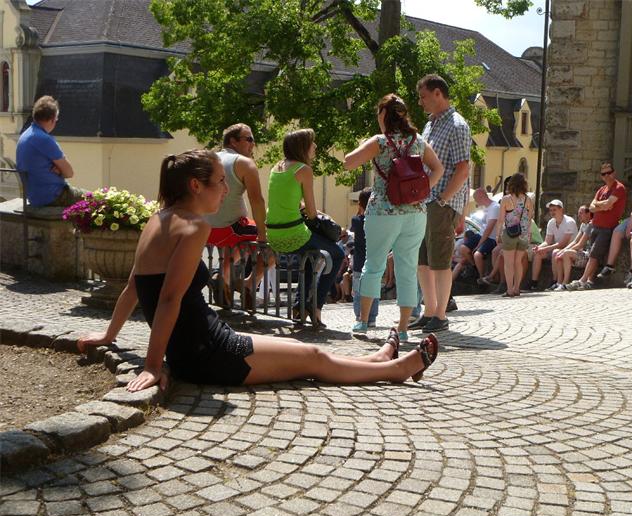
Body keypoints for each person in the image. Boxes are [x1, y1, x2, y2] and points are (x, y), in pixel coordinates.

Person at [76, 150, 439, 392]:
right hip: (207, 354)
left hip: (202, 342)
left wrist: (109, 336)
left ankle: (376, 359)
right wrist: (153, 366)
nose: (226, 189)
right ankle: (395, 370)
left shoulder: (158, 219)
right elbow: (168, 298)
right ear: (195, 185)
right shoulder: (193, 226)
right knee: (311, 359)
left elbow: (134, 288)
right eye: (220, 181)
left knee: (299, 349)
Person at [343, 94, 444, 339]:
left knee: (374, 265)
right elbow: (438, 169)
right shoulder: (418, 141)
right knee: (407, 268)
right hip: (415, 212)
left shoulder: (379, 142)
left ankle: (363, 321)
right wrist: (422, 191)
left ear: (383, 115)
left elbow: (348, 163)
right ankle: (403, 328)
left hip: (383, 211)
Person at [410, 74, 471, 333]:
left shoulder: (457, 125)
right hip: (425, 202)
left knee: (440, 261)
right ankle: (430, 311)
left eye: (423, 96)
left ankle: (441, 315)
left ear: (438, 93)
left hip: (440, 203)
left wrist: (444, 199)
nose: (420, 102)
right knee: (422, 260)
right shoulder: (430, 125)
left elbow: (463, 169)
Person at [265, 129, 344, 325]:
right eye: (312, 142)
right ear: (302, 147)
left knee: (311, 256)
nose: (315, 146)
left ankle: (300, 306)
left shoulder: (276, 168)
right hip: (293, 233)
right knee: (337, 254)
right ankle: (316, 306)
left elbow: (288, 201)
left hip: (273, 234)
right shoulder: (303, 170)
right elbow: (311, 212)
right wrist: (326, 219)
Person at [206, 123, 269, 305]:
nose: (253, 144)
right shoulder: (244, 163)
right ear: (233, 141)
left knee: (241, 242)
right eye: (249, 139)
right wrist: (263, 236)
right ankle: (248, 282)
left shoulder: (208, 159)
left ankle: (223, 278)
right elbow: (257, 201)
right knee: (273, 242)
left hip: (204, 228)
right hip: (231, 228)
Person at [567, 162, 627, 290]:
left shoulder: (619, 188)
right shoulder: (601, 189)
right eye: (603, 174)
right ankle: (589, 281)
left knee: (594, 254)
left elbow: (606, 205)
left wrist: (600, 205)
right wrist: (603, 205)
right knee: (593, 255)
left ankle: (582, 280)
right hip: (595, 226)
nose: (606, 176)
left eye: (609, 173)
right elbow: (591, 208)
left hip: (607, 228)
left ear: (614, 173)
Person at [16, 95, 84, 207]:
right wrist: (60, 170)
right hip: (52, 196)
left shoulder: (26, 135)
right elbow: (69, 173)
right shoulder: (44, 139)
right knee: (96, 199)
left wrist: (59, 169)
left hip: (35, 196)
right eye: (56, 119)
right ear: (52, 119)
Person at [495, 173, 534, 297]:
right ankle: (517, 288)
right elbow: (529, 219)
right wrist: (528, 234)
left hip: (510, 233)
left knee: (509, 263)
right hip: (523, 235)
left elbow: (501, 219)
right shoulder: (528, 200)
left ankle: (509, 290)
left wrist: (497, 235)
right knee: (518, 262)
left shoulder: (506, 199)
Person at [529, 199, 577, 291]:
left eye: (554, 210)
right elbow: (547, 241)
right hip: (558, 248)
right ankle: (534, 283)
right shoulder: (551, 222)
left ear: (561, 210)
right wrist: (539, 247)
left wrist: (546, 249)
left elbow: (563, 243)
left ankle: (555, 281)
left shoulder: (569, 222)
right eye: (550, 210)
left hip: (569, 249)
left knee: (555, 252)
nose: (552, 212)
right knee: (538, 254)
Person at [349, 189, 379, 327]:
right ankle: (372, 318)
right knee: (373, 289)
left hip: (359, 262)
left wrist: (360, 210)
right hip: (374, 260)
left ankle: (360, 317)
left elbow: (355, 227)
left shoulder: (356, 220)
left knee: (358, 291)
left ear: (360, 204)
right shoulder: (378, 222)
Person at [553, 205, 593, 289]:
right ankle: (559, 283)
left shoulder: (591, 225)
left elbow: (580, 244)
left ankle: (565, 283)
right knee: (558, 253)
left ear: (588, 214)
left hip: (589, 256)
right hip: (583, 254)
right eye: (578, 213)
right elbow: (575, 241)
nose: (579, 215)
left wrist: (564, 251)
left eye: (581, 213)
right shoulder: (583, 225)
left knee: (565, 253)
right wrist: (563, 250)